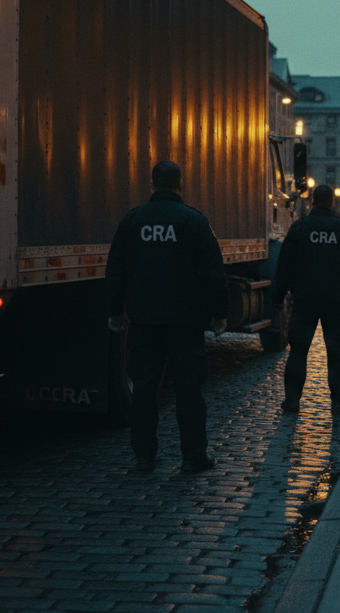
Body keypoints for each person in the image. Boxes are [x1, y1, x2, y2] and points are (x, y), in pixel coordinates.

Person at [105, 161, 227, 474]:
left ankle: (144, 456)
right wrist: (220, 313)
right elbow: (213, 273)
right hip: (186, 320)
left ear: (152, 184)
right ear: (179, 184)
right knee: (189, 390)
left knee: (144, 390)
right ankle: (193, 455)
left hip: (144, 320)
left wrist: (115, 311)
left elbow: (116, 269)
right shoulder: (194, 221)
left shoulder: (133, 220)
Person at [272, 184, 340, 416]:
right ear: (332, 202)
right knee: (336, 353)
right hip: (334, 301)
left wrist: (279, 296)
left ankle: (292, 400)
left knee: (298, 351)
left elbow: (284, 265)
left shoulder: (299, 228)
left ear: (313, 201)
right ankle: (338, 402)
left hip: (304, 300)